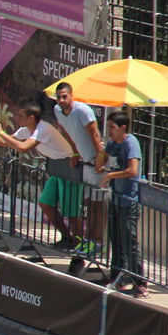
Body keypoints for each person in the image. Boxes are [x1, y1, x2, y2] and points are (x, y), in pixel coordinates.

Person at [0, 104, 81, 249]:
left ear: (31, 118)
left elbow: (23, 148)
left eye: (21, 116)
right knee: (46, 203)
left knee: (70, 211)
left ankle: (79, 244)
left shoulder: (43, 129)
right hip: (57, 168)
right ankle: (67, 237)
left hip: (69, 168)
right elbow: (6, 142)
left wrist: (0, 131)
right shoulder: (26, 129)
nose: (17, 118)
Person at [52, 81, 107, 258]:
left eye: (64, 96)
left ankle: (98, 243)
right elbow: (65, 131)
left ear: (72, 96)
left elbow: (95, 135)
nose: (61, 100)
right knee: (89, 203)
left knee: (98, 204)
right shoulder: (57, 110)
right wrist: (75, 152)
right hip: (85, 162)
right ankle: (89, 241)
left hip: (96, 162)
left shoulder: (83, 111)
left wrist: (100, 159)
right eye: (58, 97)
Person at [100, 111, 147, 296]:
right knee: (116, 240)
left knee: (129, 241)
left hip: (129, 200)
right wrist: (100, 150)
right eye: (108, 127)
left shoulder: (131, 143)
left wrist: (111, 175)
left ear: (123, 128)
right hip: (115, 198)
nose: (109, 131)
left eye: (112, 127)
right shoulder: (112, 144)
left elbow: (133, 170)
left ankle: (140, 282)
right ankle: (117, 277)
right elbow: (99, 166)